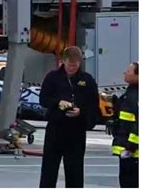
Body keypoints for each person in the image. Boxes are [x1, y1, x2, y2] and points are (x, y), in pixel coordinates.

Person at [39, 46, 100, 188]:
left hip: (76, 131)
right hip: (56, 129)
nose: (72, 68)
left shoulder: (87, 80)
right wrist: (58, 103)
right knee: (49, 169)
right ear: (62, 61)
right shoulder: (52, 77)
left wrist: (81, 112)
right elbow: (43, 99)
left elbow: (93, 105)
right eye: (69, 65)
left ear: (80, 63)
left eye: (75, 65)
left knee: (75, 171)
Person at [110, 62, 138, 188]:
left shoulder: (136, 95)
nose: (125, 72)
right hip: (128, 151)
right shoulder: (130, 92)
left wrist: (131, 146)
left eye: (129, 71)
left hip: (133, 152)